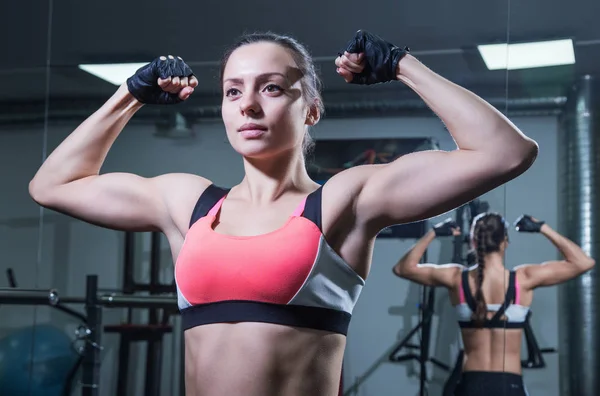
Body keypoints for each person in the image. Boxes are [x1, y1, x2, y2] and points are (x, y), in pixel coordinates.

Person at [29, 29, 538, 396]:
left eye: (271, 88)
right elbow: (52, 185)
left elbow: (506, 154)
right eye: (233, 91)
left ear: (311, 109)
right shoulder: (189, 204)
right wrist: (130, 94)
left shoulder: (344, 201)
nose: (248, 105)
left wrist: (404, 65)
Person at [392, 213, 595, 396]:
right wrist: (542, 228)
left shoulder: (456, 278)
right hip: (509, 385)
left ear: (473, 242)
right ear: (505, 242)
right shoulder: (523, 279)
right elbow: (583, 262)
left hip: (470, 384)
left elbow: (403, 268)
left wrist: (433, 233)